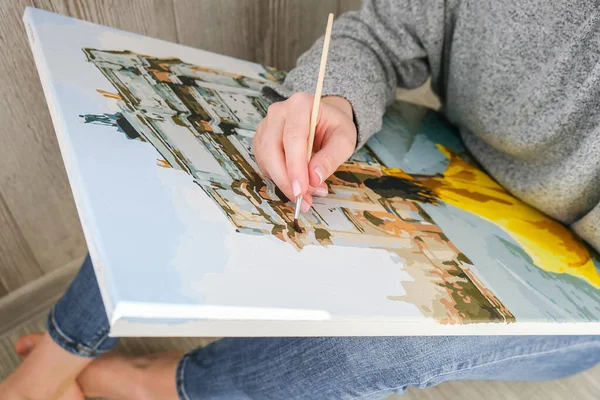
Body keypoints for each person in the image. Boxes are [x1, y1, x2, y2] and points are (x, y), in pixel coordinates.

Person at [3, 0, 600, 399]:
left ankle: (168, 383)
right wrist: (335, 99)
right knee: (223, 143)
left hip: (587, 273)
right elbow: (384, 33)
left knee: (414, 326)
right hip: (454, 156)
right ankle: (58, 355)